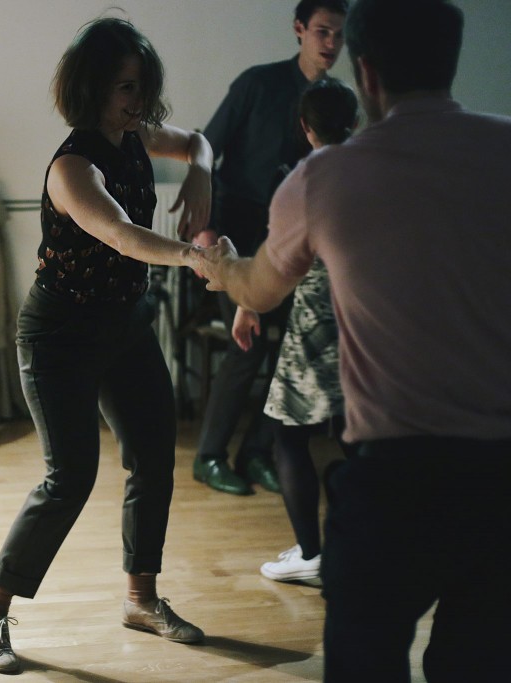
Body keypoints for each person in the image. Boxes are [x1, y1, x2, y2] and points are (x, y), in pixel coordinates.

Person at [190, 0, 511, 679]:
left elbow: (257, 290)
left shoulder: (325, 176)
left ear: (364, 72)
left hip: (395, 480)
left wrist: (219, 264)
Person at [0, 17, 212, 675]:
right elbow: (124, 235)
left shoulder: (136, 136)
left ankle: (141, 599)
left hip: (125, 324)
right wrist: (194, 256)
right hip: (60, 334)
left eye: (142, 86)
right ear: (93, 88)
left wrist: (200, 175)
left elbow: (199, 142)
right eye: (125, 87)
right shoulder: (72, 167)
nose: (138, 101)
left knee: (154, 455)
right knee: (70, 477)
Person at [190, 0, 348, 496]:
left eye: (339, 34)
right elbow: (205, 150)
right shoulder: (257, 84)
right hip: (234, 237)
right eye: (322, 31)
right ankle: (209, 456)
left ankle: (256, 452)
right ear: (299, 29)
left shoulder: (333, 103)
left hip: (292, 242)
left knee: (288, 349)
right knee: (248, 345)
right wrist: (204, 229)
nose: (331, 43)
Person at [230, 77, 360, 584]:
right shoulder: (376, 169)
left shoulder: (304, 180)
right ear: (355, 122)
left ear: (306, 127)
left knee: (288, 435)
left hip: (317, 322)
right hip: (367, 320)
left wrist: (248, 304)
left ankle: (311, 555)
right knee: (356, 433)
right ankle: (376, 543)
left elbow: (277, 263)